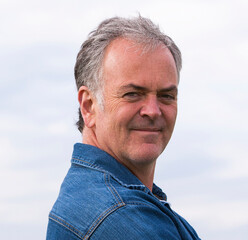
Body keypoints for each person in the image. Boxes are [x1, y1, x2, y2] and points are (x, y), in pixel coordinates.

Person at [47, 16, 200, 239]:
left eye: (166, 96)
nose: (153, 110)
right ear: (89, 106)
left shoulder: (98, 199)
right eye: (132, 94)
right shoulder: (117, 217)